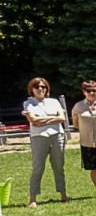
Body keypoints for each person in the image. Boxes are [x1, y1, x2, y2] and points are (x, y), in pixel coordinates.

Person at [22, 77, 68, 208]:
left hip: (57, 135)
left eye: (43, 87)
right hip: (38, 137)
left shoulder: (54, 102)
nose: (40, 89)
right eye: (37, 87)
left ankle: (63, 194)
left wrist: (43, 120)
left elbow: (62, 118)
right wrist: (52, 118)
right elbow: (33, 120)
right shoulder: (28, 103)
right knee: (38, 167)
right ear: (32, 89)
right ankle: (32, 198)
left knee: (59, 166)